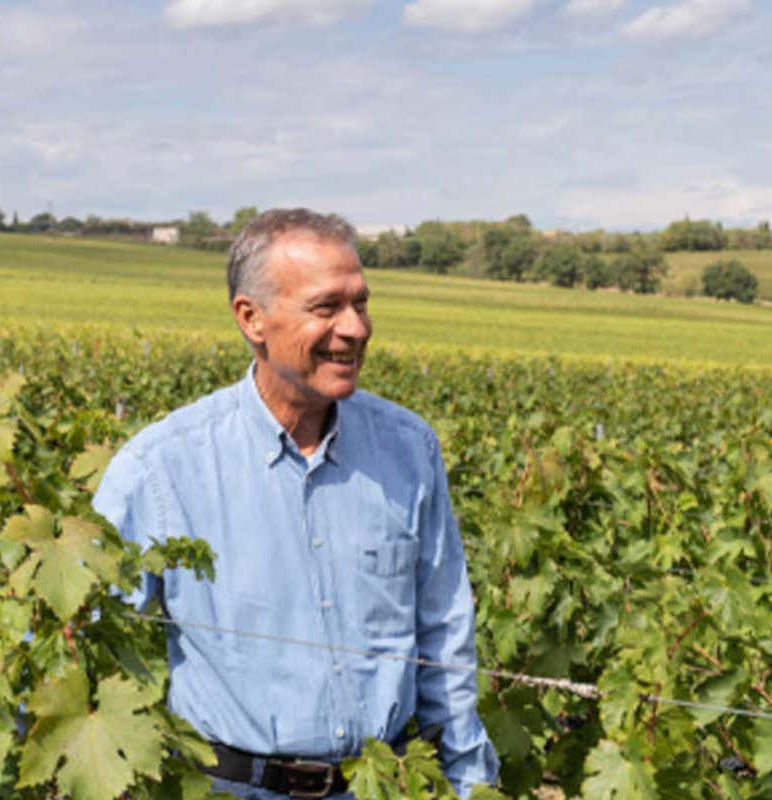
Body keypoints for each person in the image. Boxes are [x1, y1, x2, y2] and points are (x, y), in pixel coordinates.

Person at [93, 208, 498, 798]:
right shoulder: (162, 469)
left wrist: (469, 785)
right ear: (252, 319)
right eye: (327, 307)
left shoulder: (409, 451)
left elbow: (443, 637)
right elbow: (77, 635)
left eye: (361, 304)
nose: (356, 328)